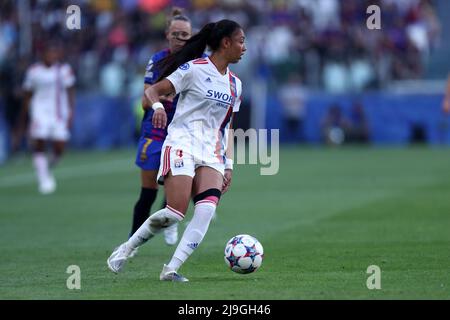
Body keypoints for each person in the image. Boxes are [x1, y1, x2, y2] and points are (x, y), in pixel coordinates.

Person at [107, 19, 246, 282]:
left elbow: (227, 126)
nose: (244, 48)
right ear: (225, 43)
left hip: (211, 153)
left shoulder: (236, 85)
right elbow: (153, 92)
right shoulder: (192, 69)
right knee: (175, 212)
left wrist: (229, 164)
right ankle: (126, 249)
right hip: (181, 143)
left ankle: (170, 269)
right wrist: (159, 109)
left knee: (205, 211)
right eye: (241, 41)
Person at [130, 9, 193, 251]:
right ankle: (132, 242)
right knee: (147, 193)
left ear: (192, 36)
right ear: (167, 34)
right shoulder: (157, 60)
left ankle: (170, 221)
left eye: (185, 35)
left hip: (182, 133)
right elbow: (145, 100)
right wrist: (161, 99)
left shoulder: (197, 63)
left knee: (180, 183)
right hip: (155, 132)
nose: (180, 39)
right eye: (175, 34)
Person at [20, 41, 76, 194]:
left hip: (59, 113)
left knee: (60, 146)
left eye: (54, 53)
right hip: (40, 112)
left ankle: (47, 166)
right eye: (49, 53)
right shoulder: (34, 71)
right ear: (43, 55)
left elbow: (71, 91)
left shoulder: (64, 70)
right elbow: (27, 92)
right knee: (40, 142)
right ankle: (43, 177)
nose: (52, 56)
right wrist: (25, 114)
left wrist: (71, 111)